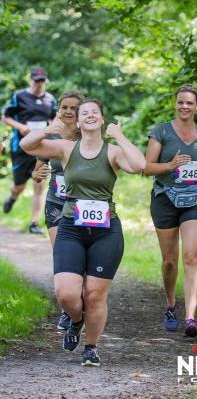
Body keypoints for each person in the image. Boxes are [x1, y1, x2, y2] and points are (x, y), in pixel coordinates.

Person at [20, 98, 146, 366]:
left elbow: (139, 166)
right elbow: (25, 145)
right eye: (84, 113)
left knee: (95, 294)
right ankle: (76, 321)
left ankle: (91, 347)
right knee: (66, 293)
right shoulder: (66, 148)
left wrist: (120, 136)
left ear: (102, 120)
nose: (89, 115)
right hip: (71, 227)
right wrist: (47, 129)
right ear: (77, 122)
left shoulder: (112, 151)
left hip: (106, 231)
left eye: (95, 113)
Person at [144, 84, 197, 337]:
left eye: (190, 103)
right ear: (175, 104)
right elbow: (146, 168)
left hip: (195, 199)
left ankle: (191, 318)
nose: (185, 106)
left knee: (191, 257)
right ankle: (171, 305)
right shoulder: (161, 132)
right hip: (165, 200)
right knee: (170, 261)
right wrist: (170, 164)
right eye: (181, 102)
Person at [32, 90, 84, 331]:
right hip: (56, 202)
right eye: (64, 107)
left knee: (80, 256)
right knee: (61, 253)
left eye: (74, 107)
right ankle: (68, 309)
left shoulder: (87, 135)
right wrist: (38, 174)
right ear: (59, 109)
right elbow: (37, 170)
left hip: (83, 206)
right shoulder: (51, 136)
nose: (69, 111)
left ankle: (79, 298)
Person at [1, 67, 57, 234]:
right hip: (20, 147)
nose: (40, 84)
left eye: (42, 81)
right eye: (37, 81)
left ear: (45, 82)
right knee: (20, 186)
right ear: (31, 81)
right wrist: (20, 127)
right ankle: (13, 197)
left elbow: (54, 119)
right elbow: (6, 116)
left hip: (42, 146)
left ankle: (34, 223)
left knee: (39, 184)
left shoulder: (50, 99)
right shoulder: (19, 97)